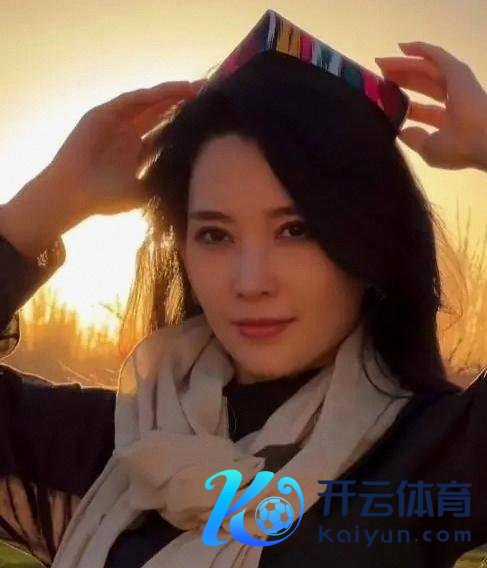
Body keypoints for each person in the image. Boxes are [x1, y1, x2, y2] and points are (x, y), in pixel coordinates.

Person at [1, 9, 487, 568]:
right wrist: (44, 204)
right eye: (215, 235)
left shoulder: (433, 457)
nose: (251, 282)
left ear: (368, 238)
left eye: (296, 230)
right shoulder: (123, 447)